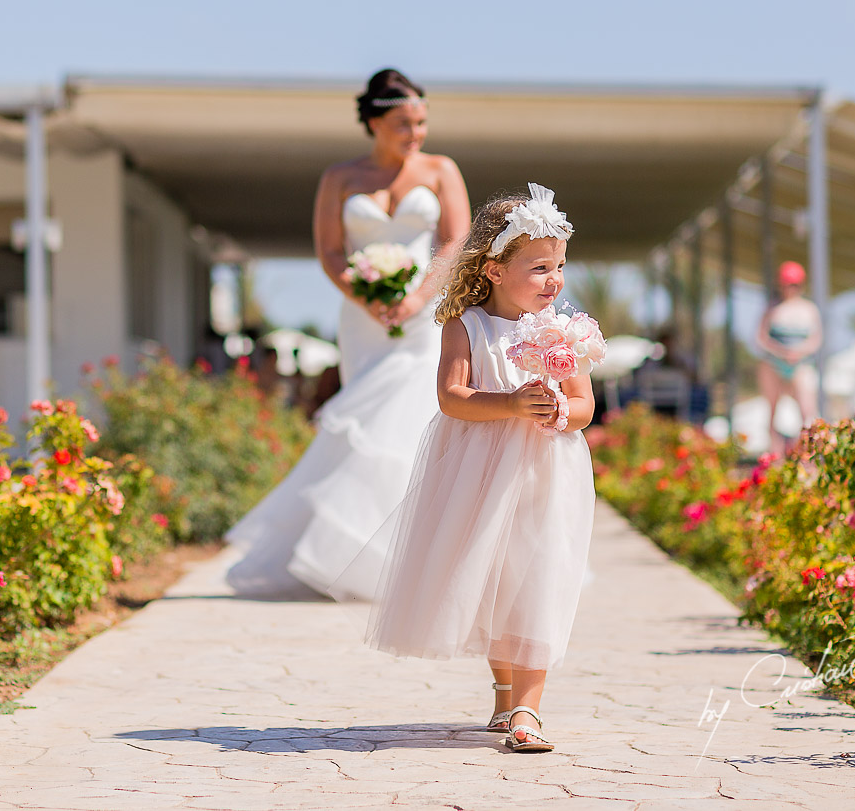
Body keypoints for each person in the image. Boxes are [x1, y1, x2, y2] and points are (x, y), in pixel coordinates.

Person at [349, 184, 596, 752]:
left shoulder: (566, 329)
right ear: (493, 268)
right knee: (497, 577)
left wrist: (564, 411)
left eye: (559, 266)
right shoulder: (466, 325)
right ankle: (505, 695)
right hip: (484, 471)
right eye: (539, 267)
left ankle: (529, 710)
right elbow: (452, 397)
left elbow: (584, 405)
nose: (553, 279)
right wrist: (510, 403)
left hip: (547, 471)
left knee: (540, 576)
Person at [224, 69, 471, 597]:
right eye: (404, 124)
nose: (416, 134)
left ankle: (413, 559)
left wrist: (416, 299)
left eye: (422, 122)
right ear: (375, 123)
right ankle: (355, 558)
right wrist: (366, 297)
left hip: (423, 318)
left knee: (407, 421)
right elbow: (330, 250)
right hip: (361, 321)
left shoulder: (440, 169)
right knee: (361, 420)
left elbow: (456, 244)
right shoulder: (340, 177)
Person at [755, 261, 822, 454]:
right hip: (773, 363)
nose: (789, 289)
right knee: (772, 411)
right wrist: (781, 353)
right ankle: (774, 455)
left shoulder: (809, 309)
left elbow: (816, 340)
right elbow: (761, 337)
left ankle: (807, 456)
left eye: (793, 284)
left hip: (800, 364)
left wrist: (798, 353)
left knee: (807, 411)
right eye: (786, 284)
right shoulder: (772, 308)